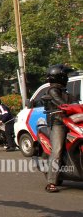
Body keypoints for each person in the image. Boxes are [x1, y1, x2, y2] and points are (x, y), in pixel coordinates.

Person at [42, 64, 74, 193]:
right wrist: (65, 106)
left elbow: (75, 104)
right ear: (59, 77)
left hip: (71, 122)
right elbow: (60, 103)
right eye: (65, 75)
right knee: (57, 150)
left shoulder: (65, 92)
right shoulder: (52, 91)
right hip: (58, 123)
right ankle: (51, 183)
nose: (67, 77)